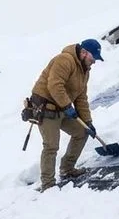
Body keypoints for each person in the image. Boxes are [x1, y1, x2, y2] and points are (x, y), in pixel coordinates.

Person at [30, 39, 103, 191]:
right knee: (51, 145)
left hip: (63, 108)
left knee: (82, 132)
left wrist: (88, 121)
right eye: (93, 58)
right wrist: (67, 105)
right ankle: (48, 184)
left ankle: (67, 169)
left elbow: (81, 98)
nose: (94, 62)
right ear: (84, 53)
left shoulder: (84, 71)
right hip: (46, 108)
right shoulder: (65, 60)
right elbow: (54, 85)